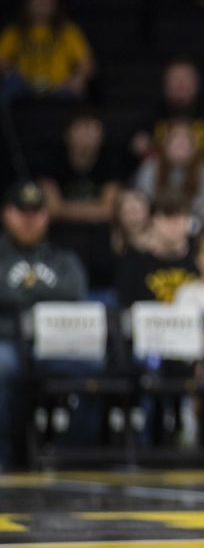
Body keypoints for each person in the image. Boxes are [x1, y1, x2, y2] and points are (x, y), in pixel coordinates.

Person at [0, 180, 89, 470]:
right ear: (6, 214)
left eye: (36, 211)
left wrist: (22, 295)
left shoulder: (63, 258)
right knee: (2, 364)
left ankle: (74, 456)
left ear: (46, 216)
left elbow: (75, 291)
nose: (29, 219)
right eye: (21, 211)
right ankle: (5, 457)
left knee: (101, 366)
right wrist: (46, 293)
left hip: (58, 342)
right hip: (8, 342)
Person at [0, 0, 94, 102]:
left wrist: (78, 78)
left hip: (59, 88)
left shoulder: (68, 32)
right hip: (25, 87)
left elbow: (88, 65)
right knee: (11, 84)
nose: (42, 3)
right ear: (28, 2)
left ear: (55, 3)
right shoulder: (14, 32)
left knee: (79, 89)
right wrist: (10, 70)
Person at [133, 118, 204, 215]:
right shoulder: (149, 167)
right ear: (165, 146)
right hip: (156, 219)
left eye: (186, 141)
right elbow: (143, 201)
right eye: (175, 140)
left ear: (194, 147)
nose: (180, 145)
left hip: (195, 221)